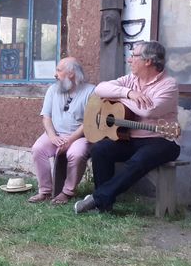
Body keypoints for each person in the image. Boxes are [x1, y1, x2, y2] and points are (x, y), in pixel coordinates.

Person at [74, 40, 181, 214]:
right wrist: (128, 93)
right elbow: (101, 89)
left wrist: (120, 98)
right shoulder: (131, 80)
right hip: (131, 138)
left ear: (148, 61)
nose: (130, 60)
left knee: (138, 161)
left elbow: (149, 110)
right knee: (100, 149)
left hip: (162, 140)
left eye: (134, 56)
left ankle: (98, 198)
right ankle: (104, 206)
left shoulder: (169, 84)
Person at [29, 57, 95, 205]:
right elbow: (46, 117)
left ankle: (67, 192)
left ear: (71, 73)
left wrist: (70, 140)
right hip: (56, 134)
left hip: (79, 137)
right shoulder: (53, 90)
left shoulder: (91, 91)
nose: (55, 74)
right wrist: (52, 136)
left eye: (59, 70)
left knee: (76, 154)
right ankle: (45, 191)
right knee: (38, 149)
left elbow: (88, 123)